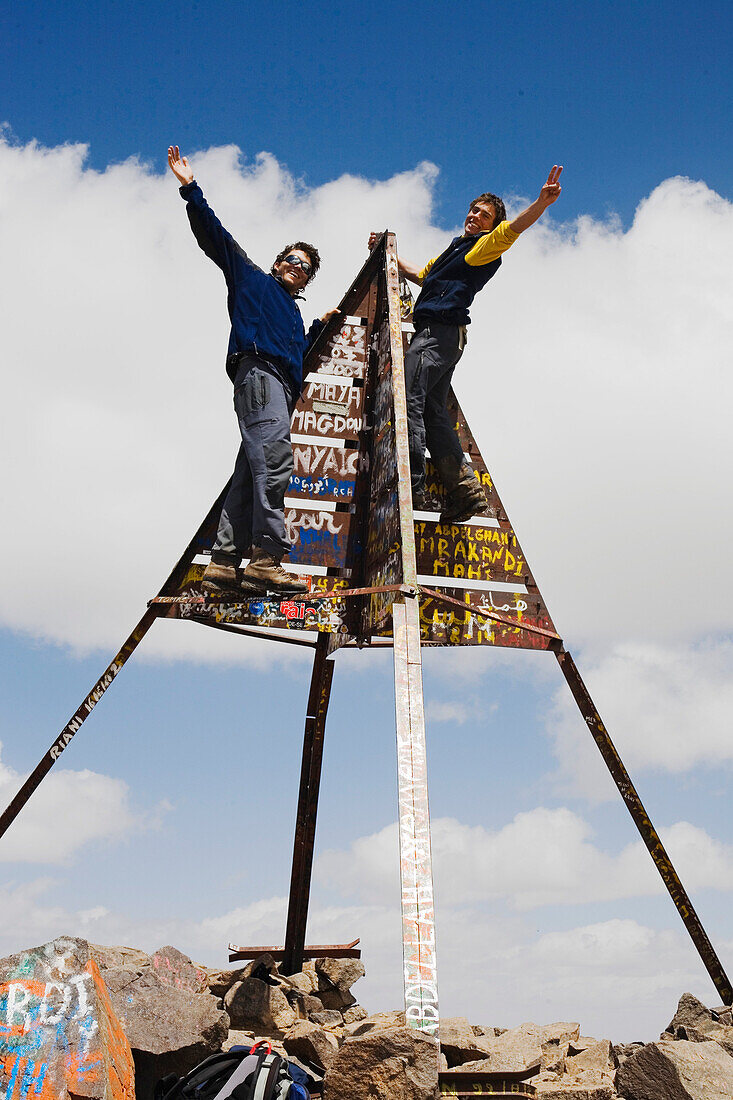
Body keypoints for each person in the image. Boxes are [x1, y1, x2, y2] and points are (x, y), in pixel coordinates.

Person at [167, 146, 339, 596]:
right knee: (276, 462)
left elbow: (302, 351)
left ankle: (224, 563)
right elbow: (215, 237)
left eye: (304, 267)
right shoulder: (253, 280)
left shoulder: (295, 319)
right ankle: (267, 558)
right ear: (278, 262)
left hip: (279, 385)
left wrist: (322, 324)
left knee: (251, 471)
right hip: (259, 376)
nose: (294, 268)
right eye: (290, 259)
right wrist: (191, 189)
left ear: (305, 280)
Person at [371, 165, 563, 522]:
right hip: (446, 338)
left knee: (407, 398)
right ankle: (464, 491)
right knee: (432, 411)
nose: (475, 216)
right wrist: (389, 257)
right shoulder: (456, 250)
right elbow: (424, 274)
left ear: (491, 225)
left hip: (437, 334)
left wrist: (541, 203)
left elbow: (513, 230)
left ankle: (410, 486)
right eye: (473, 210)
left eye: (484, 214)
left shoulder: (481, 248)